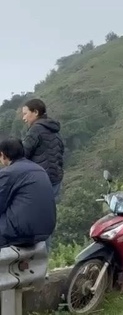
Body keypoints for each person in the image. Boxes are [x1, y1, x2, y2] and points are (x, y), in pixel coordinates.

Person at [20, 99, 64, 252]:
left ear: (36, 112)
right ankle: (44, 260)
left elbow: (22, 154)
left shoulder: (36, 129)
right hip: (55, 181)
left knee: (32, 221)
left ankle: (34, 261)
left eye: (26, 114)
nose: (24, 118)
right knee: (46, 220)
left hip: (39, 183)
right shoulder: (55, 130)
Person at [0, 138, 57, 248]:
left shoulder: (8, 173)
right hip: (45, 229)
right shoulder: (39, 169)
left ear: (3, 155)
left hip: (20, 231)